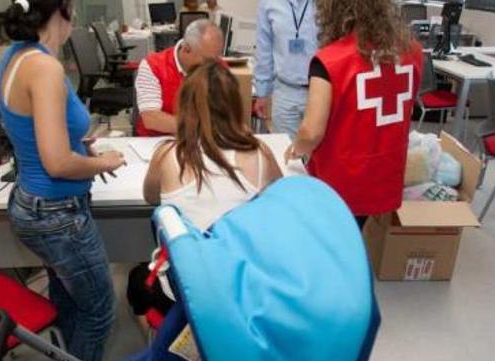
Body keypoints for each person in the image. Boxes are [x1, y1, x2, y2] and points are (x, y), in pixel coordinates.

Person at [0, 0, 123, 361]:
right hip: (57, 213)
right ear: (61, 12)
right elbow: (58, 163)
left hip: (31, 202)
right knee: (99, 310)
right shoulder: (46, 68)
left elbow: (31, 134)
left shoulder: (16, 56)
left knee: (68, 299)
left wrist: (79, 146)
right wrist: (102, 163)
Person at [127, 60, 283, 328]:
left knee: (136, 281)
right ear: (235, 104)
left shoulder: (167, 155)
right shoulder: (259, 154)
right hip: (241, 288)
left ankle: (163, 351)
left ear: (185, 106)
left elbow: (151, 197)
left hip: (183, 291)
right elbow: (279, 201)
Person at [287, 0, 423, 228]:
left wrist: (296, 148)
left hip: (341, 183)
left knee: (333, 242)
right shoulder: (412, 51)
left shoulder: (329, 61)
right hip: (384, 176)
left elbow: (311, 132)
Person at [135, 20, 224, 137]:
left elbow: (224, 112)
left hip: (201, 141)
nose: (212, 65)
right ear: (187, 49)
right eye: (206, 60)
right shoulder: (153, 66)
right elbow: (151, 118)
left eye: (216, 57)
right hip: (156, 141)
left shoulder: (217, 65)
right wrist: (201, 127)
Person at [253, 0, 319, 138]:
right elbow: (264, 49)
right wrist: (262, 92)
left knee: (319, 156)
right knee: (288, 154)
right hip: (285, 93)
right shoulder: (268, 3)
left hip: (320, 91)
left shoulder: (327, 4)